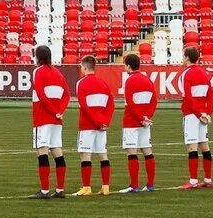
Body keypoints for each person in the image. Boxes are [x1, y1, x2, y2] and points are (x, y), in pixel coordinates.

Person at [28, 45, 69, 198]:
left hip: (43, 117)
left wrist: (53, 110)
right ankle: (60, 189)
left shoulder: (38, 71)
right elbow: (66, 94)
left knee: (42, 151)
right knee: (57, 151)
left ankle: (44, 190)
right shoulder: (58, 73)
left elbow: (40, 93)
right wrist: (60, 111)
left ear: (38, 57)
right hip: (56, 119)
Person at [74, 56, 113, 197]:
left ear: (84, 67)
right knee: (103, 154)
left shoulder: (81, 83)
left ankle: (86, 187)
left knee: (85, 155)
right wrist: (105, 122)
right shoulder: (103, 83)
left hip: (87, 125)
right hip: (102, 126)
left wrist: (96, 122)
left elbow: (84, 106)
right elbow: (111, 105)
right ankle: (106, 186)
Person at [178, 45, 213, 189]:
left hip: (192, 114)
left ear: (187, 57)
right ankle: (207, 179)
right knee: (204, 145)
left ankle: (193, 180)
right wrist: (207, 113)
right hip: (203, 114)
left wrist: (198, 114)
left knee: (192, 146)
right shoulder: (204, 72)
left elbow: (188, 97)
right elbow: (210, 94)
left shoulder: (186, 74)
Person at [120, 52, 157, 193]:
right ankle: (150, 184)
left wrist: (141, 117)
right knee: (147, 151)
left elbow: (130, 102)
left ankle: (134, 185)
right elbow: (154, 100)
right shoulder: (148, 80)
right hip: (145, 122)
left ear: (128, 66)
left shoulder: (129, 80)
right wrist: (147, 116)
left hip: (132, 121)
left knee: (132, 152)